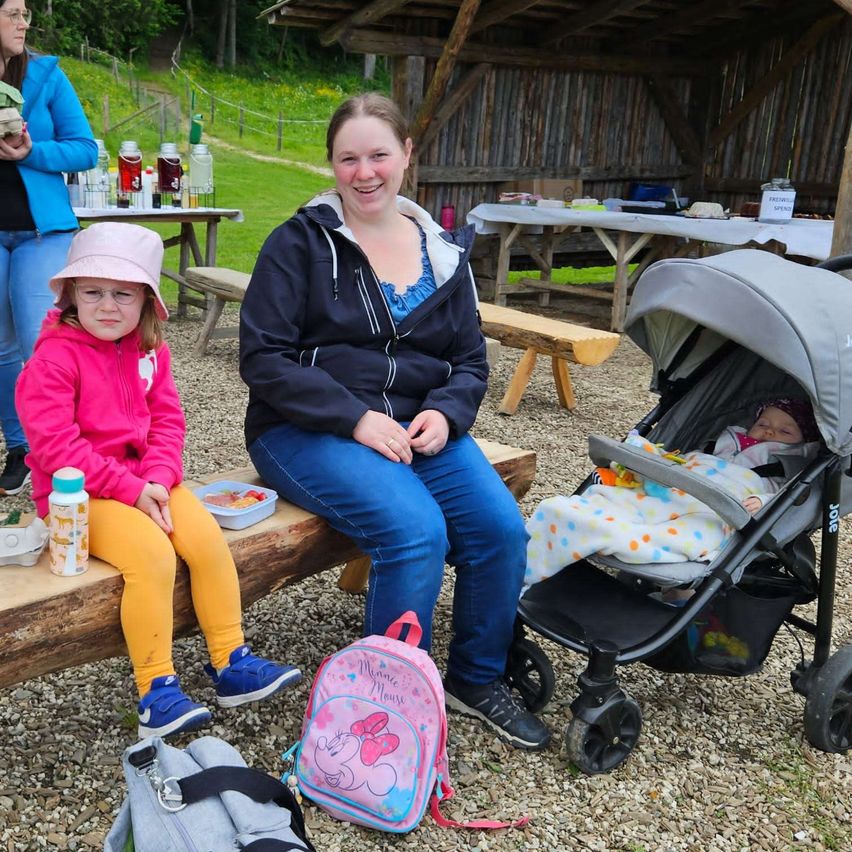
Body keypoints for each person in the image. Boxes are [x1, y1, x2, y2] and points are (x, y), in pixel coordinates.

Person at [239, 93, 550, 751]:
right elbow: (263, 359)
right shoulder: (298, 244)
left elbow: (468, 360)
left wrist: (446, 410)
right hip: (303, 428)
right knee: (414, 530)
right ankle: (375, 716)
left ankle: (475, 678)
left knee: (499, 529)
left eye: (378, 154)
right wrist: (352, 417)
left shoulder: (444, 253)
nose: (365, 172)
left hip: (415, 425)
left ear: (407, 154)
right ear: (331, 165)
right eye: (348, 158)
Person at [16, 223, 301, 739]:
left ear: (147, 299)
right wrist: (132, 491)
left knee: (207, 539)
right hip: (74, 496)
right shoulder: (53, 358)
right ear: (71, 295)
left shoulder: (149, 350)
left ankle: (230, 659)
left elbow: (168, 421)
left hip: (146, 481)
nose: (107, 306)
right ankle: (156, 690)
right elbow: (56, 448)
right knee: (153, 555)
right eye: (93, 292)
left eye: (123, 294)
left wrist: (158, 476)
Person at [525, 399, 820, 589]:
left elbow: (788, 498)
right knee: (575, 506)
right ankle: (579, 530)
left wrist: (765, 502)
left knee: (693, 531)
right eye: (763, 424)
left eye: (785, 432)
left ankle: (623, 537)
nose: (769, 433)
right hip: (673, 491)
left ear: (802, 442)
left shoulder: (784, 469)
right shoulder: (716, 446)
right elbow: (677, 462)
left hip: (717, 509)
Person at [0, 0, 97, 496]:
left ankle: (61, 450)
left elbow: (85, 148)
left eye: (26, 15)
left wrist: (32, 150)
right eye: (13, 14)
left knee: (45, 345)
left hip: (42, 232)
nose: (23, 24)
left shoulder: (46, 75)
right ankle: (22, 447)